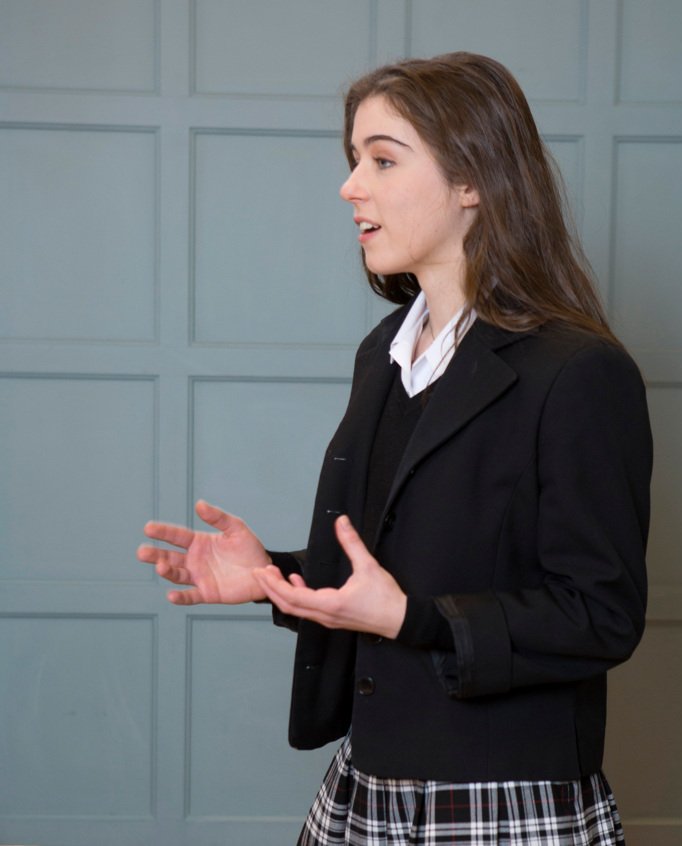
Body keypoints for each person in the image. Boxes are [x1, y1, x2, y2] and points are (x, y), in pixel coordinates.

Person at [138, 53, 652, 845]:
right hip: (369, 778)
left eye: (381, 159)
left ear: (473, 178)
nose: (351, 187)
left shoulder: (580, 373)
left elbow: (601, 616)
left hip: (501, 799)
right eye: (353, 161)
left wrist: (415, 620)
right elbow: (392, 569)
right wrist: (272, 576)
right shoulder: (386, 352)